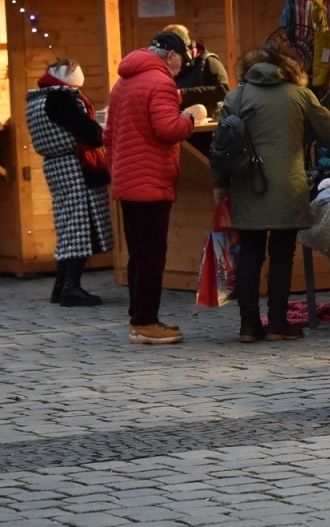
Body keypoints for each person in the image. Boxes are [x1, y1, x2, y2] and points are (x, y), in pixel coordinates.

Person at [214, 45, 330, 343]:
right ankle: (278, 323)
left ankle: (248, 326)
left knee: (250, 255)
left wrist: (220, 184)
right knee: (281, 253)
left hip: (247, 185)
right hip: (287, 185)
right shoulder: (299, 94)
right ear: (288, 69)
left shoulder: (237, 96)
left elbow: (221, 146)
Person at [105, 31, 207, 345]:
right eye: (181, 60)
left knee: (138, 254)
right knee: (151, 255)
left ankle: (138, 317)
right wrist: (192, 117)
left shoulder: (123, 82)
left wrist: (119, 170)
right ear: (171, 55)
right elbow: (167, 128)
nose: (181, 68)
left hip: (127, 180)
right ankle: (146, 322)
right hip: (151, 181)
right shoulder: (161, 83)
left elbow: (108, 135)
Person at [25, 58, 112, 307]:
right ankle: (71, 287)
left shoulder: (37, 99)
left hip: (58, 165)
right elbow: (90, 133)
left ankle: (61, 285)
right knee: (78, 224)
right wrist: (101, 130)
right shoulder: (61, 99)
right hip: (75, 165)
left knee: (68, 224)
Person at [163, 23, 229, 109]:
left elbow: (223, 90)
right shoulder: (167, 64)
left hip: (206, 120)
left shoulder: (208, 61)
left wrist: (184, 94)